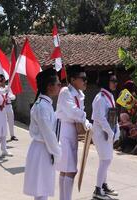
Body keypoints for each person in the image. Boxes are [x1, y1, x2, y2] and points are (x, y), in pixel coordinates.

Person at [23, 68, 62, 200]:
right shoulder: (42, 107)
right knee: (41, 190)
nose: (60, 86)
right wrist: (58, 152)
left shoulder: (46, 105)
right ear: (49, 86)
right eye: (58, 84)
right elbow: (48, 134)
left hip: (45, 149)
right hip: (42, 149)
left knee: (43, 188)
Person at [56, 65, 92, 200]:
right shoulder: (65, 91)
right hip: (65, 130)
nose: (85, 81)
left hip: (73, 130)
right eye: (82, 78)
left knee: (66, 169)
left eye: (86, 78)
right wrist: (86, 121)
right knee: (69, 170)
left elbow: (79, 115)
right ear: (72, 79)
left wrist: (86, 123)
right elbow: (73, 112)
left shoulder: (79, 94)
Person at [91, 70, 120, 199]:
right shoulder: (100, 97)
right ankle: (97, 189)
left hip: (109, 132)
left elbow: (113, 115)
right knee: (105, 160)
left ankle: (103, 185)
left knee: (107, 159)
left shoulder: (110, 96)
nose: (115, 83)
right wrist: (110, 132)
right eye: (113, 81)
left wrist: (116, 130)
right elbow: (100, 118)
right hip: (100, 133)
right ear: (105, 82)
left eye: (115, 81)